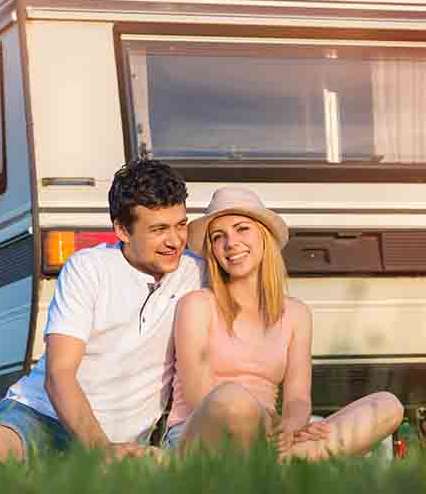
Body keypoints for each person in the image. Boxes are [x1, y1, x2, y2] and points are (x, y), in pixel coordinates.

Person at [0, 158, 205, 464]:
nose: (175, 240)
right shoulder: (88, 267)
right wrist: (101, 451)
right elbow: (59, 374)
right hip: (42, 415)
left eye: (180, 225)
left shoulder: (195, 272)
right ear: (121, 229)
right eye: (159, 229)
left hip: (124, 439)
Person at [164, 187, 403, 460]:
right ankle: (292, 462)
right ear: (213, 250)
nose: (231, 243)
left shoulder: (296, 314)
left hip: (270, 436)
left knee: (386, 405)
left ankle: (280, 460)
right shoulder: (196, 304)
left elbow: (297, 400)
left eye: (242, 229)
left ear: (264, 237)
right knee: (231, 399)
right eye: (219, 237)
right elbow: (199, 399)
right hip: (200, 435)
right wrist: (269, 424)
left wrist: (290, 428)